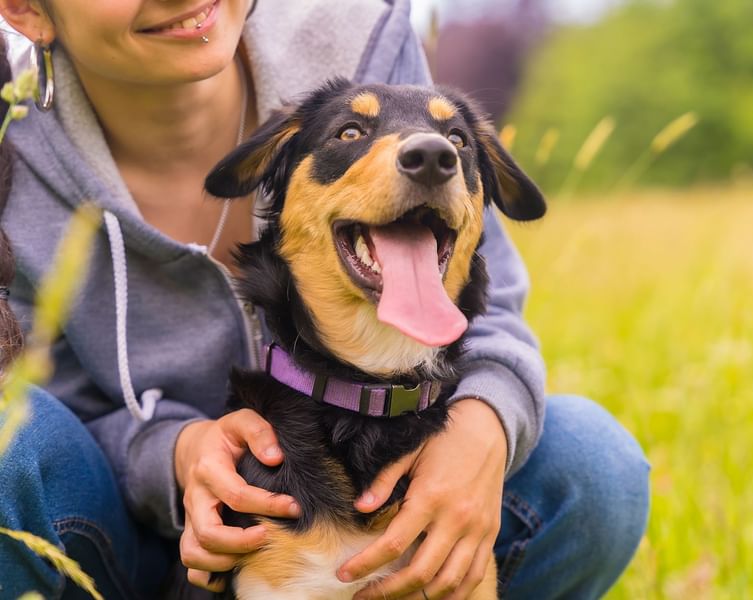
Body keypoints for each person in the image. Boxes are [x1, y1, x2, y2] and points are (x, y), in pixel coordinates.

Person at [0, 1, 650, 598]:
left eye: (450, 146)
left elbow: (491, 300)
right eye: (351, 134)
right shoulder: (13, 153)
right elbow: (52, 407)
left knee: (593, 463)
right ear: (26, 8)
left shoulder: (362, 36)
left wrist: (486, 423)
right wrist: (172, 453)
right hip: (129, 532)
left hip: (414, 442)